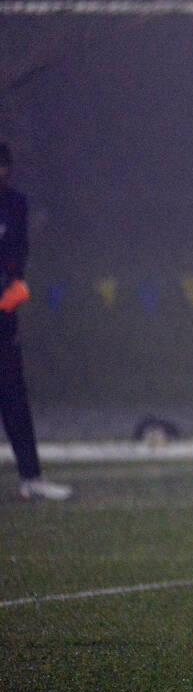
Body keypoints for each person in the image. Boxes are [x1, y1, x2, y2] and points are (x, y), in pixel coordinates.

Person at [0, 142, 72, 502]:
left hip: (2, 317)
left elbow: (17, 254)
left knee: (13, 396)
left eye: (2, 167)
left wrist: (12, 287)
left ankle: (32, 477)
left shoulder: (15, 204)